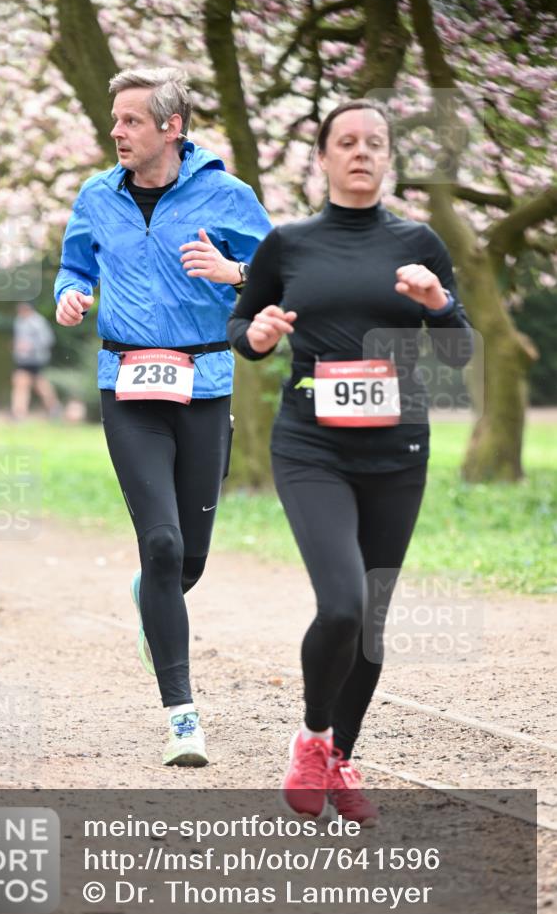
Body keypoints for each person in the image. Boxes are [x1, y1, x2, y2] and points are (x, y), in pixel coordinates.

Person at [228, 100, 473, 824]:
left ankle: (340, 759)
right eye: (346, 142)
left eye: (374, 142)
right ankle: (312, 736)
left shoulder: (418, 241)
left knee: (370, 620)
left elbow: (458, 351)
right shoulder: (288, 243)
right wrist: (261, 333)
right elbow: (242, 324)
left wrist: (437, 303)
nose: (360, 152)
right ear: (324, 158)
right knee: (340, 601)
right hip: (312, 444)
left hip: (398, 447)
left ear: (387, 157)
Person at [54, 67, 271, 767]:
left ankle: (154, 598)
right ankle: (182, 715)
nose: (115, 131)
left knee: (190, 560)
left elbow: (280, 269)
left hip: (204, 383)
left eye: (131, 121)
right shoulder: (95, 196)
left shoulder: (225, 194)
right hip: (127, 383)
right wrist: (72, 294)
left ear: (170, 128)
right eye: (114, 120)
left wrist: (234, 273)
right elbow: (73, 265)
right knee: (163, 547)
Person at [11, 301, 61, 420]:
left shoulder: (38, 322)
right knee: (27, 382)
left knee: (30, 383)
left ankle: (20, 413)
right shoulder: (19, 321)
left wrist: (31, 346)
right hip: (23, 359)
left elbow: (48, 340)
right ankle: (20, 412)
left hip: (36, 359)